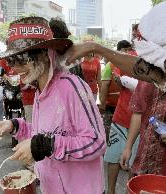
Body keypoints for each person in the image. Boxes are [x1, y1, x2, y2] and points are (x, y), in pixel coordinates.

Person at [0, 16, 106, 194]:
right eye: (11, 60)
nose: (15, 68)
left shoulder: (71, 87)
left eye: (22, 59)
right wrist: (15, 126)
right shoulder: (40, 89)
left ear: (45, 55)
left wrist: (46, 146)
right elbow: (47, 132)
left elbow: (96, 142)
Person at [65, 2, 166, 175]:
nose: (153, 79)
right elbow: (140, 67)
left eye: (159, 73)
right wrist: (95, 47)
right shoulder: (153, 69)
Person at [102, 40, 139, 194]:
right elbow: (117, 79)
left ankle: (129, 191)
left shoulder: (156, 60)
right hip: (121, 118)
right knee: (113, 158)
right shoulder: (129, 57)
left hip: (141, 122)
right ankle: (110, 192)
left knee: (135, 163)